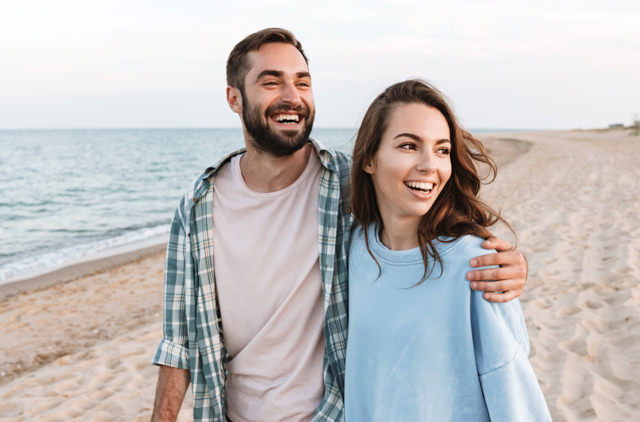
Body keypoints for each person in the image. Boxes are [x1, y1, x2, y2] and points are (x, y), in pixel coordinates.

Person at [150, 28, 529, 422]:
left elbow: (425, 216)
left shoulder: (350, 185)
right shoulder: (197, 206)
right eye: (271, 81)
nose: (291, 96)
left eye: (302, 82)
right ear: (234, 98)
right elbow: (178, 341)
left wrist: (509, 263)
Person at [345, 79, 550, 421]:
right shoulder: (354, 248)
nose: (430, 165)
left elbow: (515, 396)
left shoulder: (477, 266)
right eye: (409, 146)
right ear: (369, 159)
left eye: (442, 150)